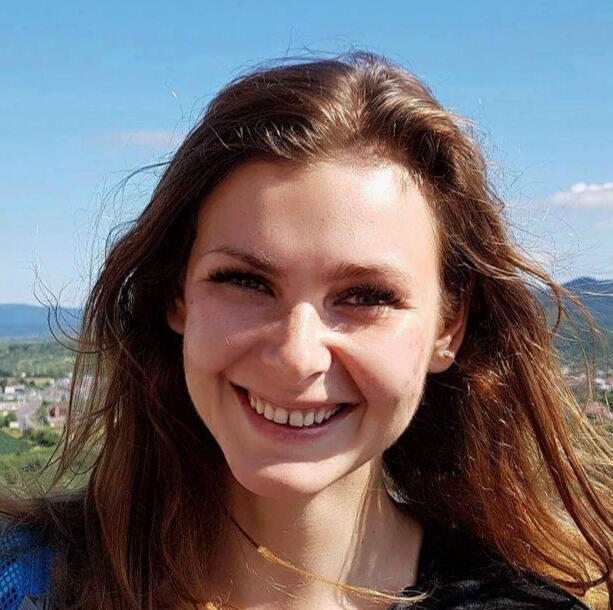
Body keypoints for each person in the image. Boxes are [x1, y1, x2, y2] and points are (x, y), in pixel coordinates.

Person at [0, 51, 611, 610]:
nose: (297, 357)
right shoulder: (29, 580)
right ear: (178, 297)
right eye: (246, 281)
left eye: (367, 296)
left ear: (448, 328)